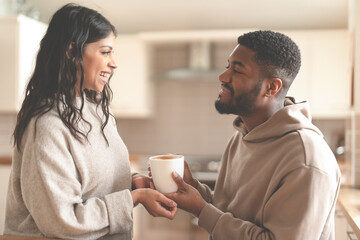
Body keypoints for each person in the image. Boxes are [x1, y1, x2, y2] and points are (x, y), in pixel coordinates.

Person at [4, 3, 176, 240]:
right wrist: (134, 198)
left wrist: (133, 184)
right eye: (105, 52)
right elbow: (62, 220)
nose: (114, 63)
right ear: (72, 51)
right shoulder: (47, 124)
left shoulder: (97, 111)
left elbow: (94, 186)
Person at [165, 30, 341, 239]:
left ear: (271, 87)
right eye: (227, 67)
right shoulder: (241, 137)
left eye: (237, 71)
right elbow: (230, 212)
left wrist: (202, 210)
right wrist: (193, 189)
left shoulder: (306, 159)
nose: (222, 77)